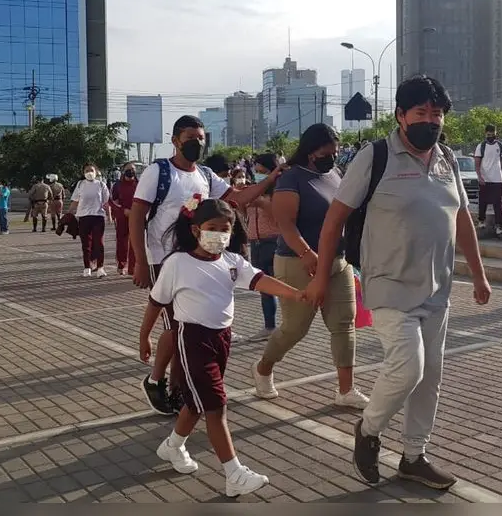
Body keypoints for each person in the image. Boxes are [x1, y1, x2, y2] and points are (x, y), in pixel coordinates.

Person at [309, 75, 492, 489]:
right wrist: (321, 276)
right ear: (400, 116)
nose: (431, 121)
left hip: (437, 286)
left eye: (437, 114)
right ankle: (368, 430)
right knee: (408, 367)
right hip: (388, 282)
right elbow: (334, 219)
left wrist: (478, 274)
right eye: (421, 113)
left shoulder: (445, 158)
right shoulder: (374, 157)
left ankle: (414, 456)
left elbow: (462, 218)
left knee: (430, 376)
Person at [142, 198, 304, 496]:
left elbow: (260, 280)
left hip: (221, 340)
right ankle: (234, 474)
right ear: (195, 230)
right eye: (212, 228)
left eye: (224, 229)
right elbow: (156, 302)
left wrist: (297, 295)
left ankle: (173, 447)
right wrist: (145, 336)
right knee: (216, 406)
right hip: (191, 340)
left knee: (197, 404)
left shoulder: (232, 262)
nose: (219, 234)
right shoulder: (177, 263)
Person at [130, 114, 283, 417]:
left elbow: (237, 198)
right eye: (190, 138)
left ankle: (175, 389)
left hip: (198, 258)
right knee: (177, 329)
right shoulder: (158, 172)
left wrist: (270, 179)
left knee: (187, 330)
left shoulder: (206, 174)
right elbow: (136, 216)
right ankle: (158, 381)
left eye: (201, 138)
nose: (197, 143)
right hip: (165, 260)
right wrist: (139, 260)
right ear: (175, 140)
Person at [251, 124, 369, 408]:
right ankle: (263, 367)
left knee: (344, 323)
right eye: (327, 151)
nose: (333, 156)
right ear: (311, 149)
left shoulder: (333, 174)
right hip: (297, 262)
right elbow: (285, 225)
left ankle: (346, 390)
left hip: (337, 261)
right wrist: (306, 254)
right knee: (295, 328)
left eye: (336, 151)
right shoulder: (292, 178)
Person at [245, 152, 282, 341]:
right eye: (256, 171)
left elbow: (282, 217)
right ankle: (269, 326)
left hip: (273, 242)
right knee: (265, 288)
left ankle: (291, 326)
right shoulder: (254, 189)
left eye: (263, 171)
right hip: (256, 243)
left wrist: (262, 203)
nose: (258, 174)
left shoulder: (280, 190)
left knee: (281, 285)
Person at [69, 163, 112, 277]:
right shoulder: (80, 184)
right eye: (86, 170)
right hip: (83, 217)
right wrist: (69, 213)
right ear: (83, 173)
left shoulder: (101, 185)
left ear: (96, 171)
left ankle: (100, 267)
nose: (89, 173)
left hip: (98, 216)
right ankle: (87, 267)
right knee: (86, 244)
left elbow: (106, 202)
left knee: (99, 243)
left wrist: (109, 216)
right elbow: (75, 200)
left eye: (91, 170)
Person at [474, 124, 502, 236]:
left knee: (498, 203)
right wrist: (480, 177)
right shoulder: (481, 146)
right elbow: (477, 164)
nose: (491, 136)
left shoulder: (500, 146)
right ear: (485, 134)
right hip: (485, 179)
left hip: (497, 179)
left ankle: (499, 226)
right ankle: (481, 220)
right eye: (488, 134)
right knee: (483, 201)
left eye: (492, 134)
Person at [111, 162, 139, 276]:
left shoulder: (140, 184)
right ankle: (121, 265)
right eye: (128, 169)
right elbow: (113, 202)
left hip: (136, 216)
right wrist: (123, 211)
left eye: (133, 169)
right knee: (122, 242)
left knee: (135, 242)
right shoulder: (117, 185)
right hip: (122, 216)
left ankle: (132, 268)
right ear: (123, 171)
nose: (131, 171)